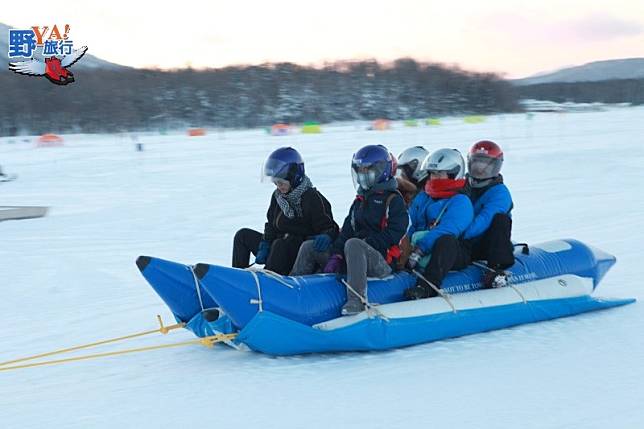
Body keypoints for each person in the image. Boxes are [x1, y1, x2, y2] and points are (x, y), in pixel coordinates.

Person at [290, 144, 409, 315]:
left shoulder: (393, 200)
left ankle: (357, 301)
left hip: (382, 261)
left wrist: (365, 244)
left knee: (354, 244)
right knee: (310, 246)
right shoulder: (359, 201)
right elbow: (346, 232)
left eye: (368, 170)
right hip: (354, 255)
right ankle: (292, 288)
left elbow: (395, 233)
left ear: (382, 170)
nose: (363, 175)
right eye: (360, 171)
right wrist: (337, 254)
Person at [232, 147, 339, 275]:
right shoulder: (278, 197)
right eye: (275, 183)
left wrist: (326, 236)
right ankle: (237, 277)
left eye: (282, 182)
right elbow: (271, 225)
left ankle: (268, 283)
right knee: (242, 236)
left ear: (294, 177)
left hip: (297, 252)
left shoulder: (312, 198)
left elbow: (330, 227)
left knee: (280, 244)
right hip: (277, 247)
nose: (279, 187)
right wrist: (265, 244)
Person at [403, 148, 474, 300]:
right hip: (416, 248)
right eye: (432, 174)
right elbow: (411, 223)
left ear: (453, 174)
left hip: (451, 251)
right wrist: (405, 245)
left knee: (446, 241)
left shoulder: (461, 202)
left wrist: (420, 249)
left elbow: (448, 229)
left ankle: (428, 286)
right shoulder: (423, 197)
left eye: (439, 174)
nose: (434, 178)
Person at [462, 140, 514, 288]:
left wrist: (459, 235)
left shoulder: (500, 193)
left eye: (486, 165)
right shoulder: (463, 185)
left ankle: (497, 267)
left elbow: (485, 220)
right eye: (477, 163)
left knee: (500, 219)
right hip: (463, 242)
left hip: (486, 242)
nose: (480, 169)